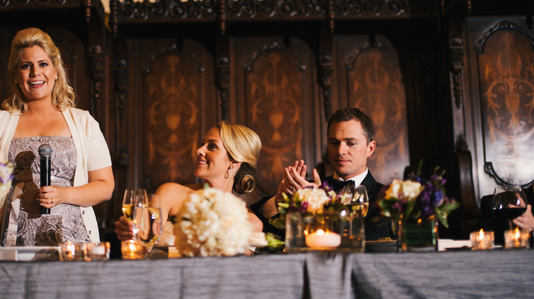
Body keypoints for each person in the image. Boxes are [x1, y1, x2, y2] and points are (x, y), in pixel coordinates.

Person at [0, 28, 114, 246]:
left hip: (73, 243)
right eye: (26, 66)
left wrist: (64, 195)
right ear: (16, 76)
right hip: (11, 241)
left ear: (56, 71)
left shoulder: (83, 122)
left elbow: (105, 186)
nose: (35, 72)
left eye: (43, 64)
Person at [251, 107, 393, 241]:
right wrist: (279, 205)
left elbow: (367, 244)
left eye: (350, 143)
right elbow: (272, 238)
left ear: (370, 148)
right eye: (334, 142)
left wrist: (317, 208)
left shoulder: (387, 199)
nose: (340, 151)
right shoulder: (306, 191)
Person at [114, 121, 265, 247]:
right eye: (202, 144)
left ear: (234, 161)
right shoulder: (171, 193)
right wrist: (128, 231)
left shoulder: (250, 222)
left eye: (212, 146)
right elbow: (143, 241)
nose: (199, 150)